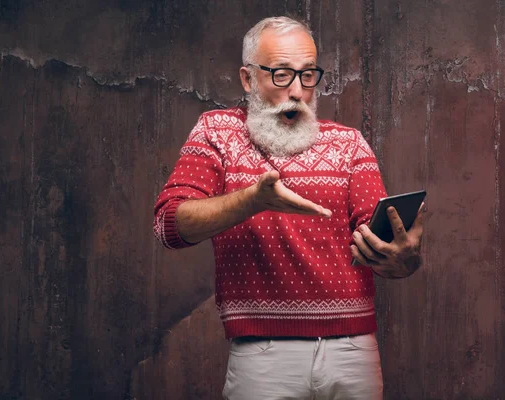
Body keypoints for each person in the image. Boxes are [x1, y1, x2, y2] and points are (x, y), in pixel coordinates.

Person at [153, 16, 424, 400]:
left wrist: (403, 257)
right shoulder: (216, 132)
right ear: (248, 79)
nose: (297, 91)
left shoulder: (349, 144)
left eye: (307, 75)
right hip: (262, 356)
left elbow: (376, 238)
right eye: (281, 75)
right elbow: (168, 224)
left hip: (352, 352)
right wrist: (253, 199)